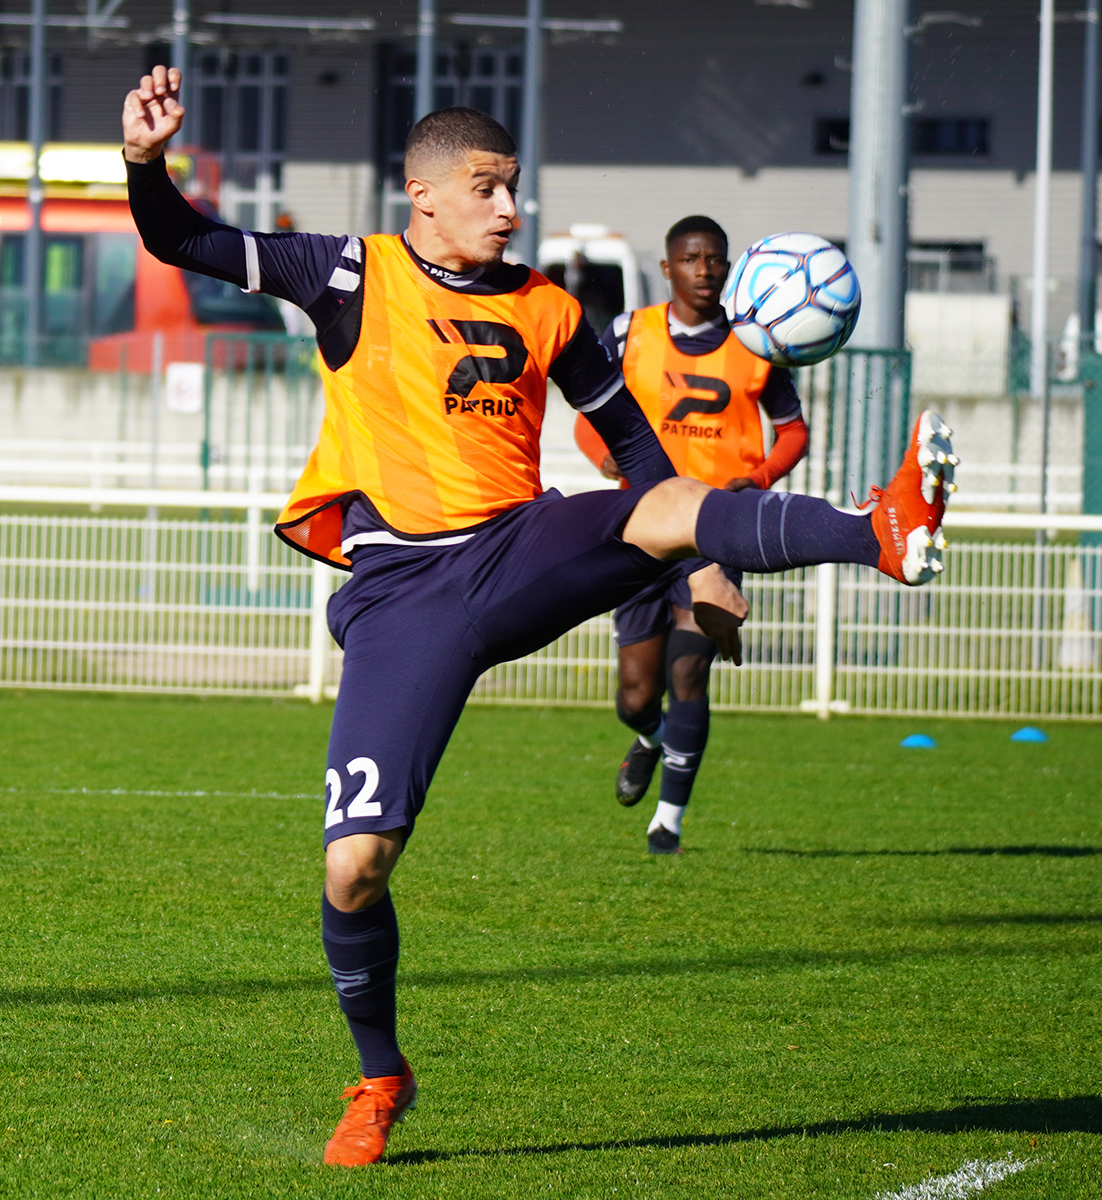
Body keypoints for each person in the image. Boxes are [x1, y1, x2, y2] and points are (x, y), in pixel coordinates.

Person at [121, 66, 954, 1167]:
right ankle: (378, 1075)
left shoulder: (553, 309)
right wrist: (144, 161)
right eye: (486, 189)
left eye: (514, 189)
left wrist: (697, 555)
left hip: (516, 550)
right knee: (353, 870)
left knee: (659, 510)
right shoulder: (347, 272)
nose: (511, 209)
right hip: (400, 597)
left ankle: (880, 532)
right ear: (422, 194)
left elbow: (645, 466)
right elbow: (182, 239)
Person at [573, 215, 810, 854]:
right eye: (693, 259)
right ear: (668, 268)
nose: (706, 270)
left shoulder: (758, 341)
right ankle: (648, 738)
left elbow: (793, 431)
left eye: (716, 260)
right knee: (635, 694)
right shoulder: (630, 332)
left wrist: (754, 478)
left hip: (714, 534)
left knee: (689, 674)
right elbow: (588, 415)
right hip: (643, 527)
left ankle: (667, 826)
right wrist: (603, 459)